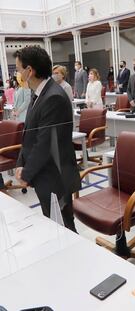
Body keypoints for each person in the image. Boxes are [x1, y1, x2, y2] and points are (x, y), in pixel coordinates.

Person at [13, 46, 80, 232]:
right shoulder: (39, 94)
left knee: (64, 230)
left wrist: (26, 174)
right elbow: (29, 134)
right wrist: (21, 163)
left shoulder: (53, 97)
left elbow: (45, 143)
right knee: (54, 226)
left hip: (55, 176)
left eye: (19, 69)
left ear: (29, 71)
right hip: (44, 173)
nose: (17, 74)